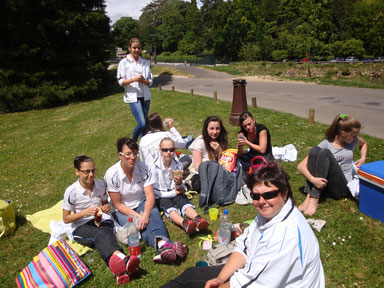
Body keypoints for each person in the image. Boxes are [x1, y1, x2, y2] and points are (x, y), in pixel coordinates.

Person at [161, 164, 325, 288]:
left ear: (285, 193)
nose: (261, 201)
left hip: (263, 282)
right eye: (255, 195)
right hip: (255, 274)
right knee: (191, 275)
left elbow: (254, 284)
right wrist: (221, 278)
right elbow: (243, 246)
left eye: (269, 194)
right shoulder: (272, 213)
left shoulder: (286, 235)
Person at [104, 137, 188, 264]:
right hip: (123, 209)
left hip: (142, 201)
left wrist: (146, 213)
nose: (132, 157)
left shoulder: (143, 168)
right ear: (119, 155)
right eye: (128, 154)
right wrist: (140, 216)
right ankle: (167, 245)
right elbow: (118, 204)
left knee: (153, 217)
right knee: (139, 224)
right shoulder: (111, 174)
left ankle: (162, 246)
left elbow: (150, 196)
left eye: (135, 153)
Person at [62, 156, 140, 285]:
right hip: (81, 226)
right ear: (77, 172)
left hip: (100, 219)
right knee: (101, 234)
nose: (91, 174)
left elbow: (105, 203)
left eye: (93, 170)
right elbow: (66, 219)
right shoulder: (71, 192)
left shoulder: (100, 185)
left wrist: (106, 207)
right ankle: (122, 259)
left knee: (105, 233)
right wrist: (84, 213)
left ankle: (119, 271)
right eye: (86, 171)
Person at [297, 113, 367, 215]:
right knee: (314, 150)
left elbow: (364, 144)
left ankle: (314, 199)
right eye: (353, 135)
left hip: (342, 188)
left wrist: (363, 158)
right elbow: (300, 166)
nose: (355, 138)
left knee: (324, 153)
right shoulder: (327, 143)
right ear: (343, 132)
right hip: (326, 185)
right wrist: (313, 180)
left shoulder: (353, 141)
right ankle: (310, 195)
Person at [151, 137, 209, 234]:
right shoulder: (153, 167)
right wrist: (173, 193)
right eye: (165, 150)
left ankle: (198, 219)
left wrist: (179, 183)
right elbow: (154, 192)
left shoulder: (177, 164)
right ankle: (184, 223)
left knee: (183, 201)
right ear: (160, 150)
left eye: (171, 150)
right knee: (169, 207)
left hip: (175, 192)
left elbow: (179, 186)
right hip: (161, 195)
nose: (168, 152)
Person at [117, 37, 153, 142]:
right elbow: (120, 81)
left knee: (144, 125)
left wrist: (145, 82)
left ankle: (143, 147)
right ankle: (132, 143)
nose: (136, 50)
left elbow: (151, 80)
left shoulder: (144, 62)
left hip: (145, 97)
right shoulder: (124, 63)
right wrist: (134, 79)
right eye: (134, 48)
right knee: (141, 123)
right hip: (133, 97)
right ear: (129, 48)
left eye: (138, 48)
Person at [186, 115, 228, 192]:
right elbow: (198, 167)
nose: (215, 132)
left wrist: (219, 151)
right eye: (211, 128)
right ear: (206, 129)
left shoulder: (221, 140)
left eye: (217, 128)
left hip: (218, 170)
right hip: (202, 173)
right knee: (197, 184)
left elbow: (224, 164)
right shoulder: (200, 142)